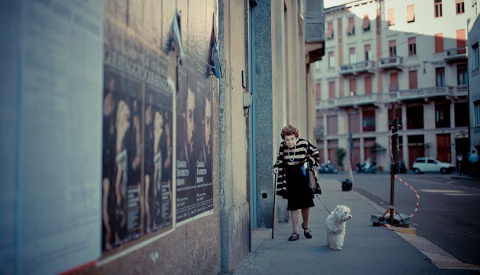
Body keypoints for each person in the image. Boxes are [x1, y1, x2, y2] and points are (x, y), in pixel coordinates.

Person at [273, 124, 319, 241]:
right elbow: (280, 159)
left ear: (296, 137)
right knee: (293, 205)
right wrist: (276, 167)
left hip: (302, 174)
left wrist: (308, 163)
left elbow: (315, 153)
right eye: (287, 139)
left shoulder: (304, 144)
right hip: (290, 176)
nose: (290, 142)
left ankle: (306, 226)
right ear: (284, 139)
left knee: (305, 204)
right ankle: (295, 231)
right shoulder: (283, 146)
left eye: (292, 139)